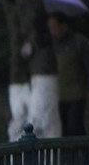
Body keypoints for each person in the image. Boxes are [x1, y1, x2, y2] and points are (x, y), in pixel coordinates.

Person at [8, 11, 60, 140]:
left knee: (40, 117)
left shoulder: (36, 39)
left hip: (42, 81)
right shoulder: (46, 39)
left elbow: (25, 54)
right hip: (45, 81)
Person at [48, 12, 89, 137]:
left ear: (63, 25)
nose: (52, 32)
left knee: (75, 127)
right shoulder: (54, 45)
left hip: (78, 94)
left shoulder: (80, 42)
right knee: (64, 130)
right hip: (61, 95)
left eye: (54, 27)